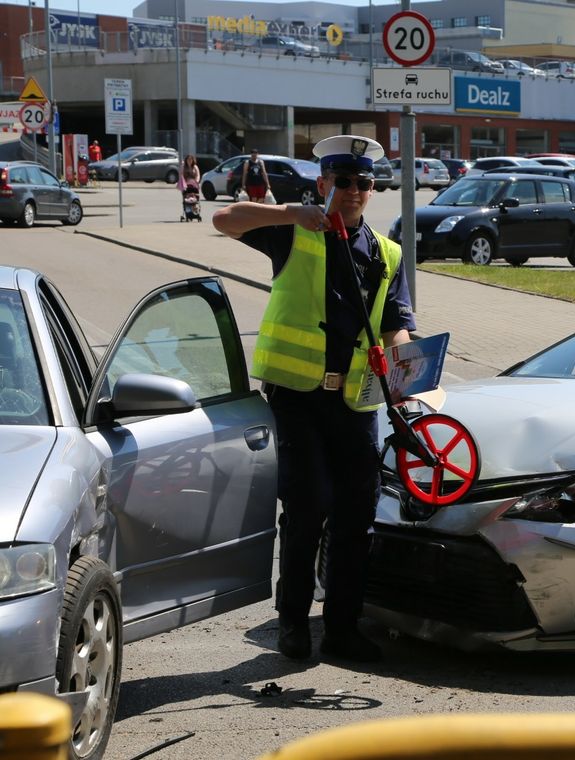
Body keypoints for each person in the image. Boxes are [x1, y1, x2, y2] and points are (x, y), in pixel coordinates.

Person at [213, 134, 415, 663]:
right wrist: (291, 211)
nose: (353, 192)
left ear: (373, 189)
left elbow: (396, 329)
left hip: (356, 403)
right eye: (342, 181)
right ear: (323, 183)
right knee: (305, 511)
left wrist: (412, 378)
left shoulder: (386, 253)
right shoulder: (295, 233)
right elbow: (225, 220)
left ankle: (343, 629)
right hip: (296, 398)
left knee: (357, 518)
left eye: (363, 183)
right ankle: (294, 623)